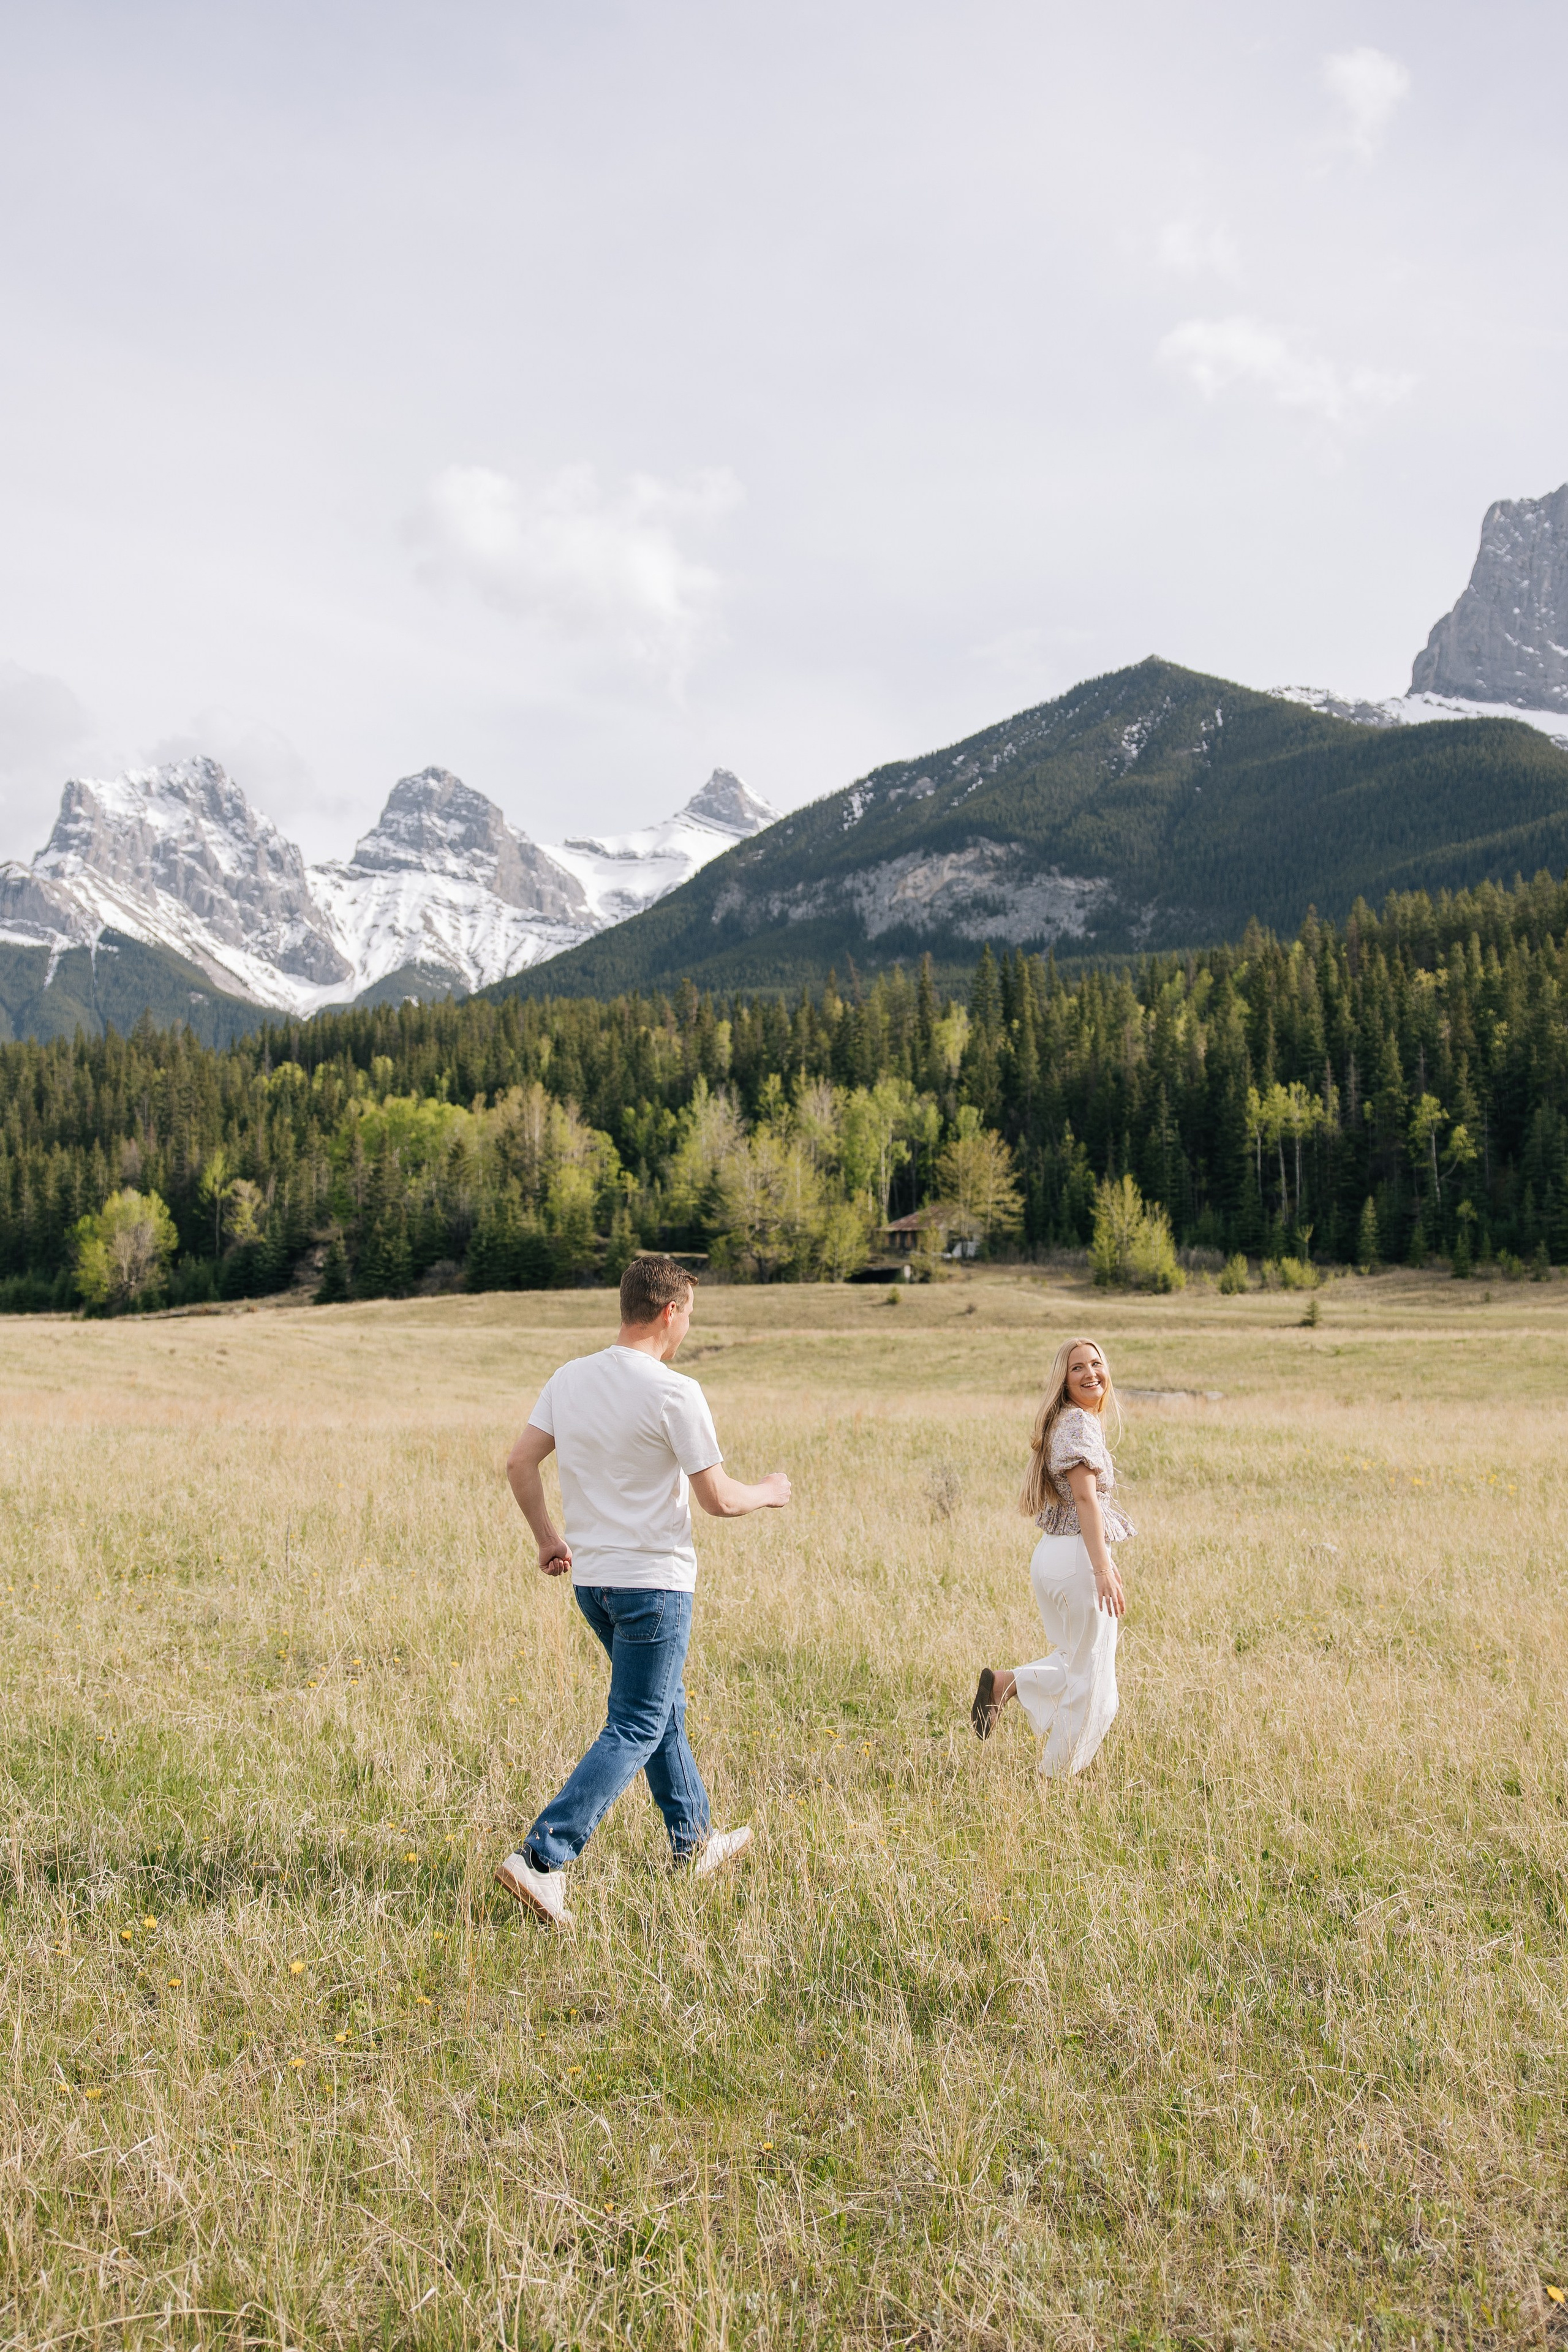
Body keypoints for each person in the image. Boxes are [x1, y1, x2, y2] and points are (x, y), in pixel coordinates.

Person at [496, 1254, 791, 1929]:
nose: (688, 1325)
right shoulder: (674, 1391)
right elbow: (716, 1500)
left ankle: (692, 1843)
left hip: (594, 1581)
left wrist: (547, 1538)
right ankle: (542, 1859)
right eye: (689, 1313)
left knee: (660, 1707)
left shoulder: (569, 1379)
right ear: (670, 1311)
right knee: (635, 1720)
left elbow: (519, 1461)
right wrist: (769, 1493)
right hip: (653, 1585)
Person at [970, 1335, 1131, 1774]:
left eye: (1096, 1364)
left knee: (1074, 1662)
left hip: (1055, 1557)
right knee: (1096, 1686)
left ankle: (1006, 1684)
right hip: (1078, 1559)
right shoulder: (1077, 1424)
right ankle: (1054, 1781)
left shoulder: (1066, 1421)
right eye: (1077, 1367)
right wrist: (1102, 1567)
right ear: (1063, 1379)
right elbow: (1086, 1500)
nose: (1090, 1373)